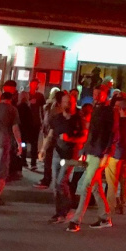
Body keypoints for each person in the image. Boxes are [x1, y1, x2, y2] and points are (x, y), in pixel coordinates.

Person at [67, 86, 117, 232]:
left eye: (98, 94)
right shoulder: (97, 109)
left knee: (87, 185)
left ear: (105, 95)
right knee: (95, 186)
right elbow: (92, 133)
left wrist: (107, 154)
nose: (95, 96)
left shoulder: (109, 111)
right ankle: (104, 217)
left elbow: (112, 134)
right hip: (92, 151)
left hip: (99, 153)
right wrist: (85, 150)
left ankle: (76, 220)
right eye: (94, 94)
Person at [40, 92, 86, 224]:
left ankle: (66, 209)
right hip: (57, 153)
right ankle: (59, 212)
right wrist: (43, 149)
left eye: (70, 102)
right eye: (66, 102)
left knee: (61, 182)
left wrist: (70, 139)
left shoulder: (78, 119)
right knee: (55, 185)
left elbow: (84, 137)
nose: (68, 105)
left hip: (70, 154)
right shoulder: (58, 118)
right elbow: (50, 134)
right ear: (61, 103)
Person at [105, 98, 126, 215]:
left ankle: (110, 206)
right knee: (124, 180)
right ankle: (123, 204)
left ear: (120, 108)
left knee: (112, 182)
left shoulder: (117, 121)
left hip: (115, 154)